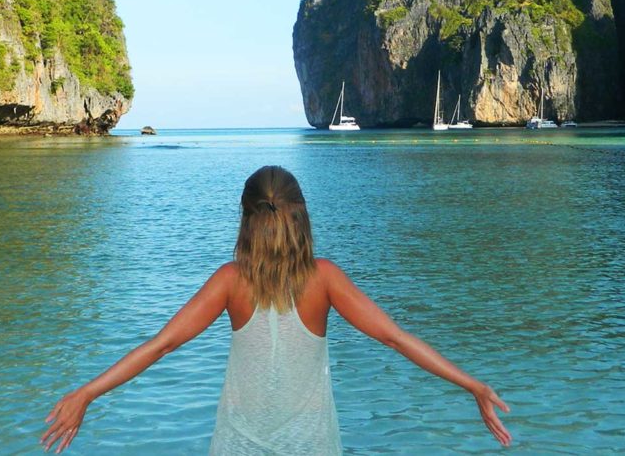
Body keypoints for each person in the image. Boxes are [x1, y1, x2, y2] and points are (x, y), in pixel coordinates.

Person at [41, 166, 511, 453]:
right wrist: (472, 384)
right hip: (310, 446)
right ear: (302, 216)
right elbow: (395, 337)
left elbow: (161, 345)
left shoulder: (231, 281)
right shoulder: (323, 278)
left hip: (239, 445)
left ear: (246, 219)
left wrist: (87, 393)